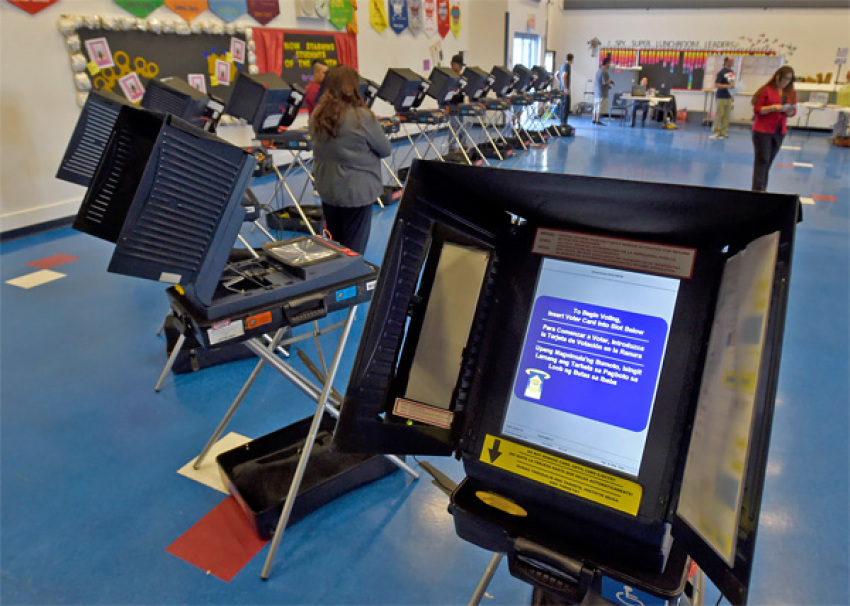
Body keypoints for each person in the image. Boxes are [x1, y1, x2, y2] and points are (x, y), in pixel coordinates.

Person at [310, 65, 392, 254]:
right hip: (356, 191)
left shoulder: (317, 115)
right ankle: (352, 281)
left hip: (328, 188)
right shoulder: (361, 117)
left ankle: (337, 281)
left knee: (335, 245)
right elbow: (385, 149)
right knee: (354, 250)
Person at [751, 65, 797, 192]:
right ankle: (758, 190)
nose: (786, 82)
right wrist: (773, 108)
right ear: (778, 77)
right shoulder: (767, 90)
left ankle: (762, 187)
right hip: (762, 130)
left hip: (779, 130)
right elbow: (757, 110)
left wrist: (788, 111)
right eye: (785, 78)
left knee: (769, 161)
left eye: (789, 79)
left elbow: (793, 111)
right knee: (762, 160)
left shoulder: (791, 92)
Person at [712, 56, 736, 139]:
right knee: (720, 115)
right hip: (721, 96)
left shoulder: (731, 72)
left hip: (728, 97)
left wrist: (732, 95)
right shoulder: (721, 72)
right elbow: (717, 84)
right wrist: (727, 86)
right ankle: (716, 131)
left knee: (726, 115)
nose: (733, 62)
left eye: (733, 61)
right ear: (726, 62)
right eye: (731, 61)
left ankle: (723, 131)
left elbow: (732, 85)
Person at [592, 57, 612, 125]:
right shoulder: (604, 72)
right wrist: (610, 82)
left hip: (597, 92)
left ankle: (594, 119)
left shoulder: (598, 71)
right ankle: (598, 120)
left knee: (595, 107)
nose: (610, 65)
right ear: (606, 63)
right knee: (600, 108)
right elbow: (604, 82)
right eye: (609, 63)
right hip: (602, 93)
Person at [557, 53, 574, 127]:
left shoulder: (562, 65)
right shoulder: (567, 66)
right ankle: (564, 122)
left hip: (561, 88)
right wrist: (566, 87)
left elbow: (556, 74)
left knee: (563, 105)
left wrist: (560, 83)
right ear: (572, 59)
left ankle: (562, 121)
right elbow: (564, 76)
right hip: (564, 90)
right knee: (566, 106)